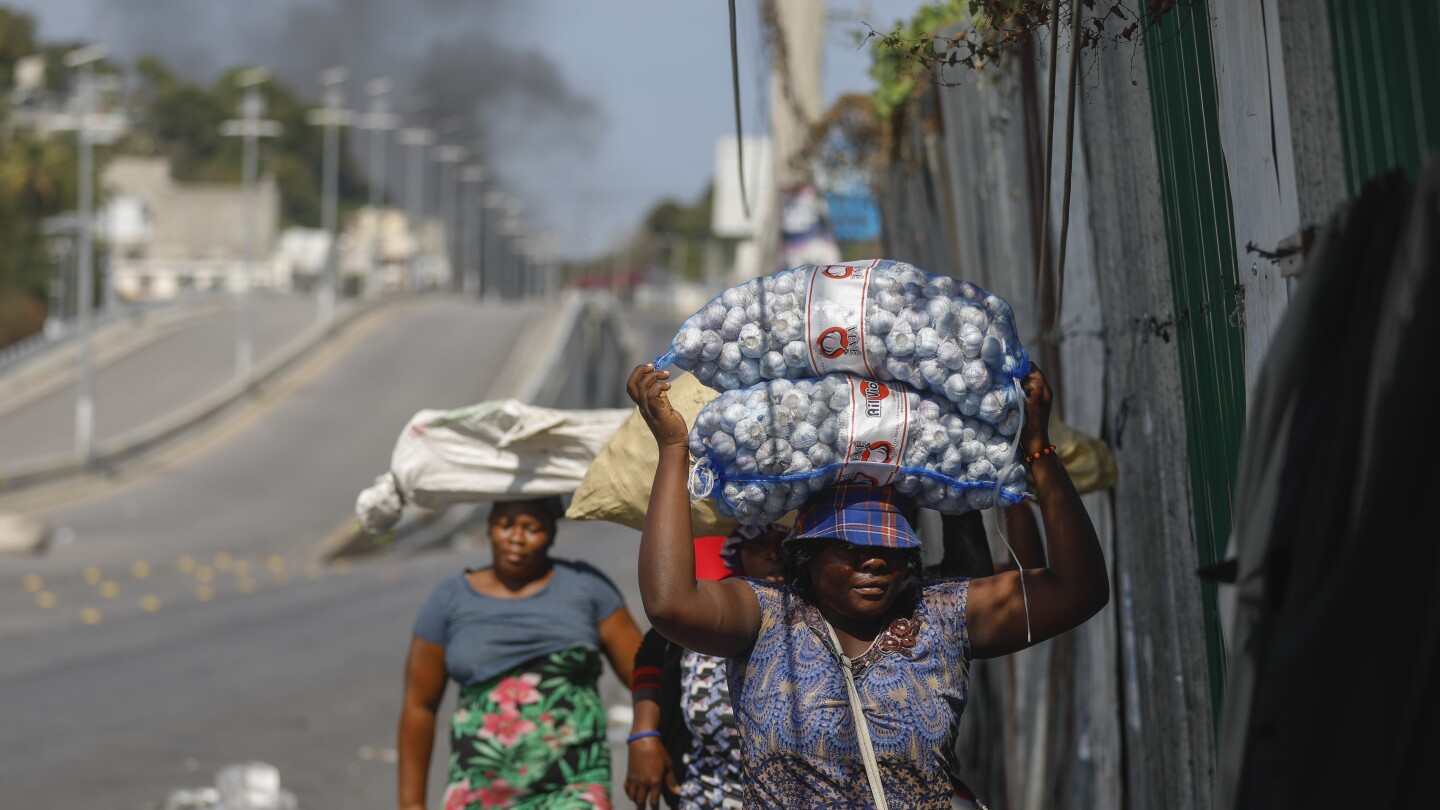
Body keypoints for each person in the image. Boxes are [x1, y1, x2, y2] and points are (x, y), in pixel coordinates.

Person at [626, 362, 1108, 809]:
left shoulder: (940, 615)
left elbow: (1078, 590)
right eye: (849, 548)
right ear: (806, 555)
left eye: (892, 548)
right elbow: (669, 604)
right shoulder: (766, 616)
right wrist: (674, 451)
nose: (875, 560)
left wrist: (1038, 449)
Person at [398, 496, 644, 810]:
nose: (516, 537)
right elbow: (419, 706)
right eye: (506, 525)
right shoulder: (448, 601)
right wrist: (411, 803)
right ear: (488, 528)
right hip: (479, 791)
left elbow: (645, 678)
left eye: (532, 528)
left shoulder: (587, 588)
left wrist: (647, 736)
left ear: (553, 534)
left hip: (574, 788)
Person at [624, 525, 788, 810]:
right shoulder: (712, 611)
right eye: (758, 542)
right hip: (706, 793)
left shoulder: (827, 617)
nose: (773, 554)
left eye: (784, 541)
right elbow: (651, 653)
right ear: (737, 551)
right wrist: (644, 732)